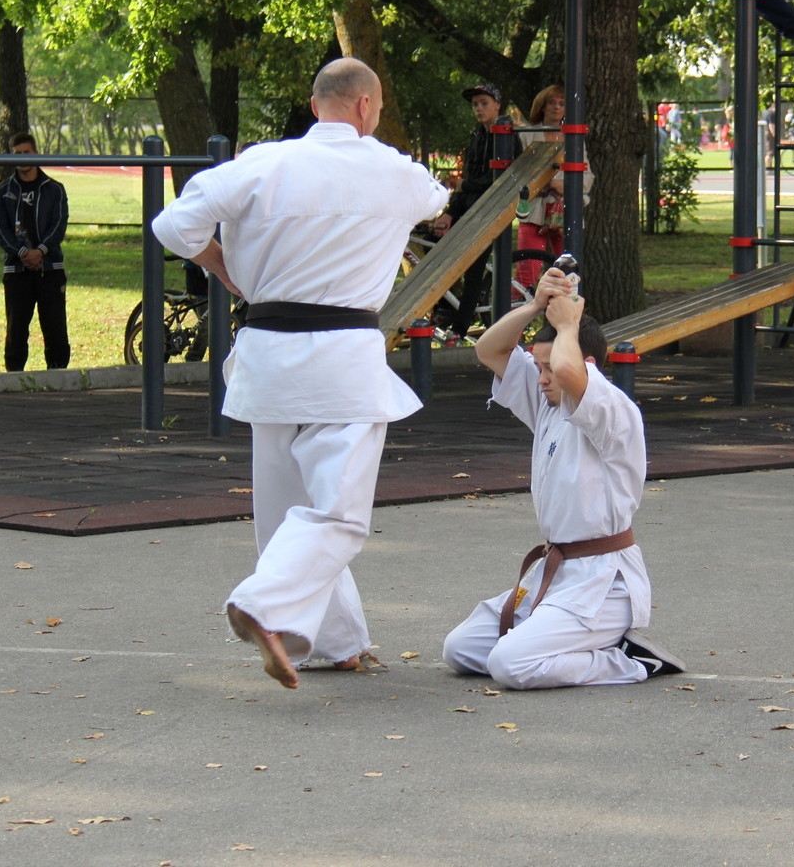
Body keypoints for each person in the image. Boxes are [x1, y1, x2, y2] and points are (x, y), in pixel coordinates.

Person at [149, 58, 448, 689]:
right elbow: (437, 201)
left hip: (268, 352)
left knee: (288, 511)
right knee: (336, 514)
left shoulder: (260, 165)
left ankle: (336, 643)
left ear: (317, 106)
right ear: (366, 106)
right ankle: (265, 605)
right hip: (342, 359)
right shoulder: (394, 171)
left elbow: (173, 226)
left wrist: (227, 269)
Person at [442, 268, 683, 689]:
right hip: (556, 575)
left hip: (603, 583)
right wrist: (537, 305)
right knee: (461, 650)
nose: (541, 379)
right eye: (537, 367)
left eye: (548, 368)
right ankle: (568, 642)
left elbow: (572, 373)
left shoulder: (611, 408)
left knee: (509, 666)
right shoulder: (548, 402)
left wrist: (569, 322)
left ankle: (629, 661)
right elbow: (489, 349)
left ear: (585, 363)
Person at [442, 82, 524, 344]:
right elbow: (468, 177)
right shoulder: (477, 136)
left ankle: (460, 327)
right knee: (442, 253)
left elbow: (499, 179)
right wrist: (449, 212)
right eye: (475, 104)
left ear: (497, 105)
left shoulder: (506, 136)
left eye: (484, 103)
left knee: (474, 269)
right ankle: (445, 315)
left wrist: (465, 186)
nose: (478, 108)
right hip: (471, 208)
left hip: (490, 210)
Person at [0, 133, 71, 372]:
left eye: (27, 152)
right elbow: (0, 229)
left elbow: (59, 224)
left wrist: (41, 252)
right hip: (16, 270)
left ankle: (58, 377)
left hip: (51, 269)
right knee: (16, 330)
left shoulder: (55, 189)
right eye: (18, 153)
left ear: (36, 154)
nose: (23, 158)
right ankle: (14, 377)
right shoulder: (2, 192)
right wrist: (23, 252)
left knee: (55, 328)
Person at [516, 85, 588, 288]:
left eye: (562, 103)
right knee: (526, 271)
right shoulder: (527, 135)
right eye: (551, 102)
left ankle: (564, 316)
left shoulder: (574, 137)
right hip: (534, 211)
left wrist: (565, 186)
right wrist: (548, 183)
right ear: (542, 105)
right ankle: (519, 314)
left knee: (568, 274)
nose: (556, 107)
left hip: (565, 212)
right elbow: (519, 175)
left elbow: (587, 176)